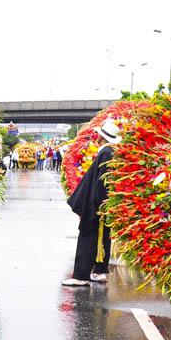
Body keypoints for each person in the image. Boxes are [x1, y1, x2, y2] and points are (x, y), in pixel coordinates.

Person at [62, 119, 121, 286]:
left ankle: (81, 276)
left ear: (101, 137)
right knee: (102, 237)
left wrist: (96, 204)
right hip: (101, 203)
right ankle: (99, 270)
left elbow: (101, 183)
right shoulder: (110, 152)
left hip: (95, 203)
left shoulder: (105, 153)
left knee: (88, 237)